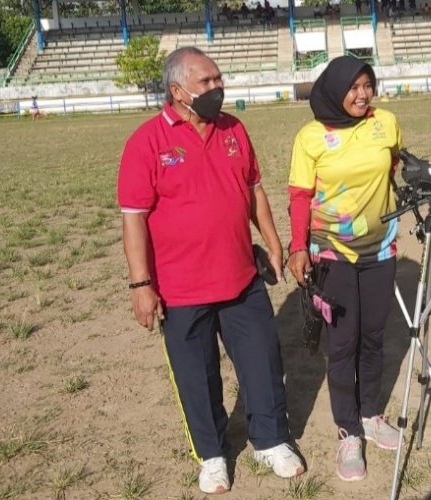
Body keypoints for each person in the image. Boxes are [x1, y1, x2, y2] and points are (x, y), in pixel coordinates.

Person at [117, 46, 304, 495]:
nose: (217, 88)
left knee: (262, 361)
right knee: (196, 376)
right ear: (178, 90)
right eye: (207, 82)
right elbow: (133, 217)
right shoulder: (147, 142)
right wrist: (142, 285)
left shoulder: (233, 129)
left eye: (219, 79)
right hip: (181, 290)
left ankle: (270, 439)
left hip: (241, 279)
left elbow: (254, 188)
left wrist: (274, 243)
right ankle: (213, 454)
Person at [286, 55, 402, 482]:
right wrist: (299, 247)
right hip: (332, 252)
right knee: (343, 343)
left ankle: (371, 415)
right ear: (335, 90)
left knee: (373, 337)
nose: (362, 94)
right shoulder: (311, 137)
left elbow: (392, 170)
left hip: (381, 250)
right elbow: (300, 196)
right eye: (353, 87)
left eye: (367, 85)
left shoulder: (385, 123)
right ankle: (348, 431)